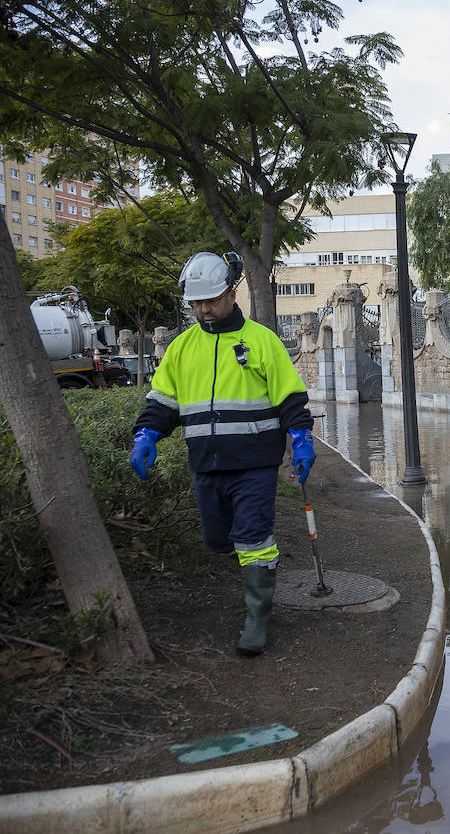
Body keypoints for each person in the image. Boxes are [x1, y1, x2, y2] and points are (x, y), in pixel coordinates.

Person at [129, 251, 316, 657]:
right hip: (206, 464)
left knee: (253, 537)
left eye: (210, 301)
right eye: (196, 303)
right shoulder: (181, 348)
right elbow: (162, 402)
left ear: (231, 294)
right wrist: (146, 435)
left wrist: (301, 437)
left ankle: (257, 617)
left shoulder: (262, 342)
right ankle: (255, 580)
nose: (203, 310)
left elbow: (291, 399)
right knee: (219, 540)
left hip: (255, 464)